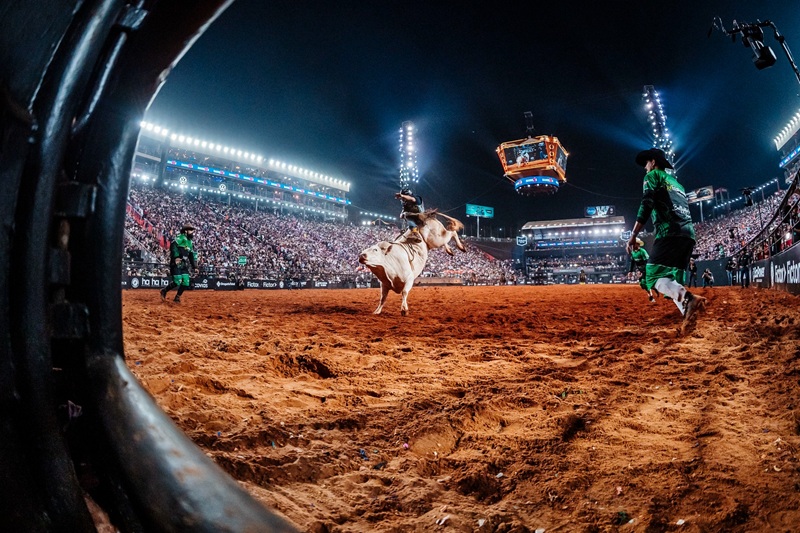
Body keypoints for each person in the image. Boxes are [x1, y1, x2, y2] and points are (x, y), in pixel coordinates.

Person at [625, 148, 706, 329]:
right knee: (671, 279)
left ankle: (689, 299)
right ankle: (689, 318)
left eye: (646, 163)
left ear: (653, 162)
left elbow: (646, 204)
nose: (645, 167)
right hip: (688, 234)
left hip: (669, 231)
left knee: (652, 277)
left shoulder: (653, 176)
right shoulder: (677, 184)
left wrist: (634, 234)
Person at [160, 223, 198, 303]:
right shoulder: (181, 237)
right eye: (191, 230)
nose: (192, 232)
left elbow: (191, 255)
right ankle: (164, 290)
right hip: (176, 263)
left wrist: (195, 266)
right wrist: (176, 257)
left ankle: (177, 297)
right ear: (186, 231)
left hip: (183, 263)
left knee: (186, 282)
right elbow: (173, 245)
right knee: (177, 281)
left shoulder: (190, 242)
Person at [628, 237, 654, 302]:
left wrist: (643, 271)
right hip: (641, 270)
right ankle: (650, 294)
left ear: (637, 244)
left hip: (646, 269)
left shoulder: (642, 251)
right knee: (642, 284)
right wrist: (630, 271)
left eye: (634, 244)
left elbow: (647, 262)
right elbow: (632, 262)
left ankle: (651, 295)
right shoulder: (633, 253)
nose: (633, 246)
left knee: (643, 282)